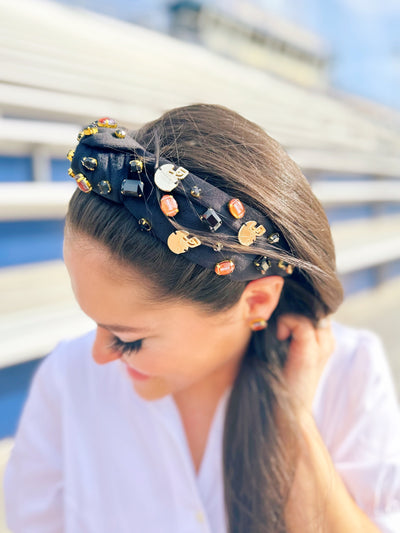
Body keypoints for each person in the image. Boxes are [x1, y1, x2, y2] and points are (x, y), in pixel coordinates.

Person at [4, 104, 400, 533]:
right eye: (96, 322)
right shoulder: (66, 381)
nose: (99, 355)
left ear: (257, 302)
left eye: (130, 339)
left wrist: (293, 423)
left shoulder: (349, 373)